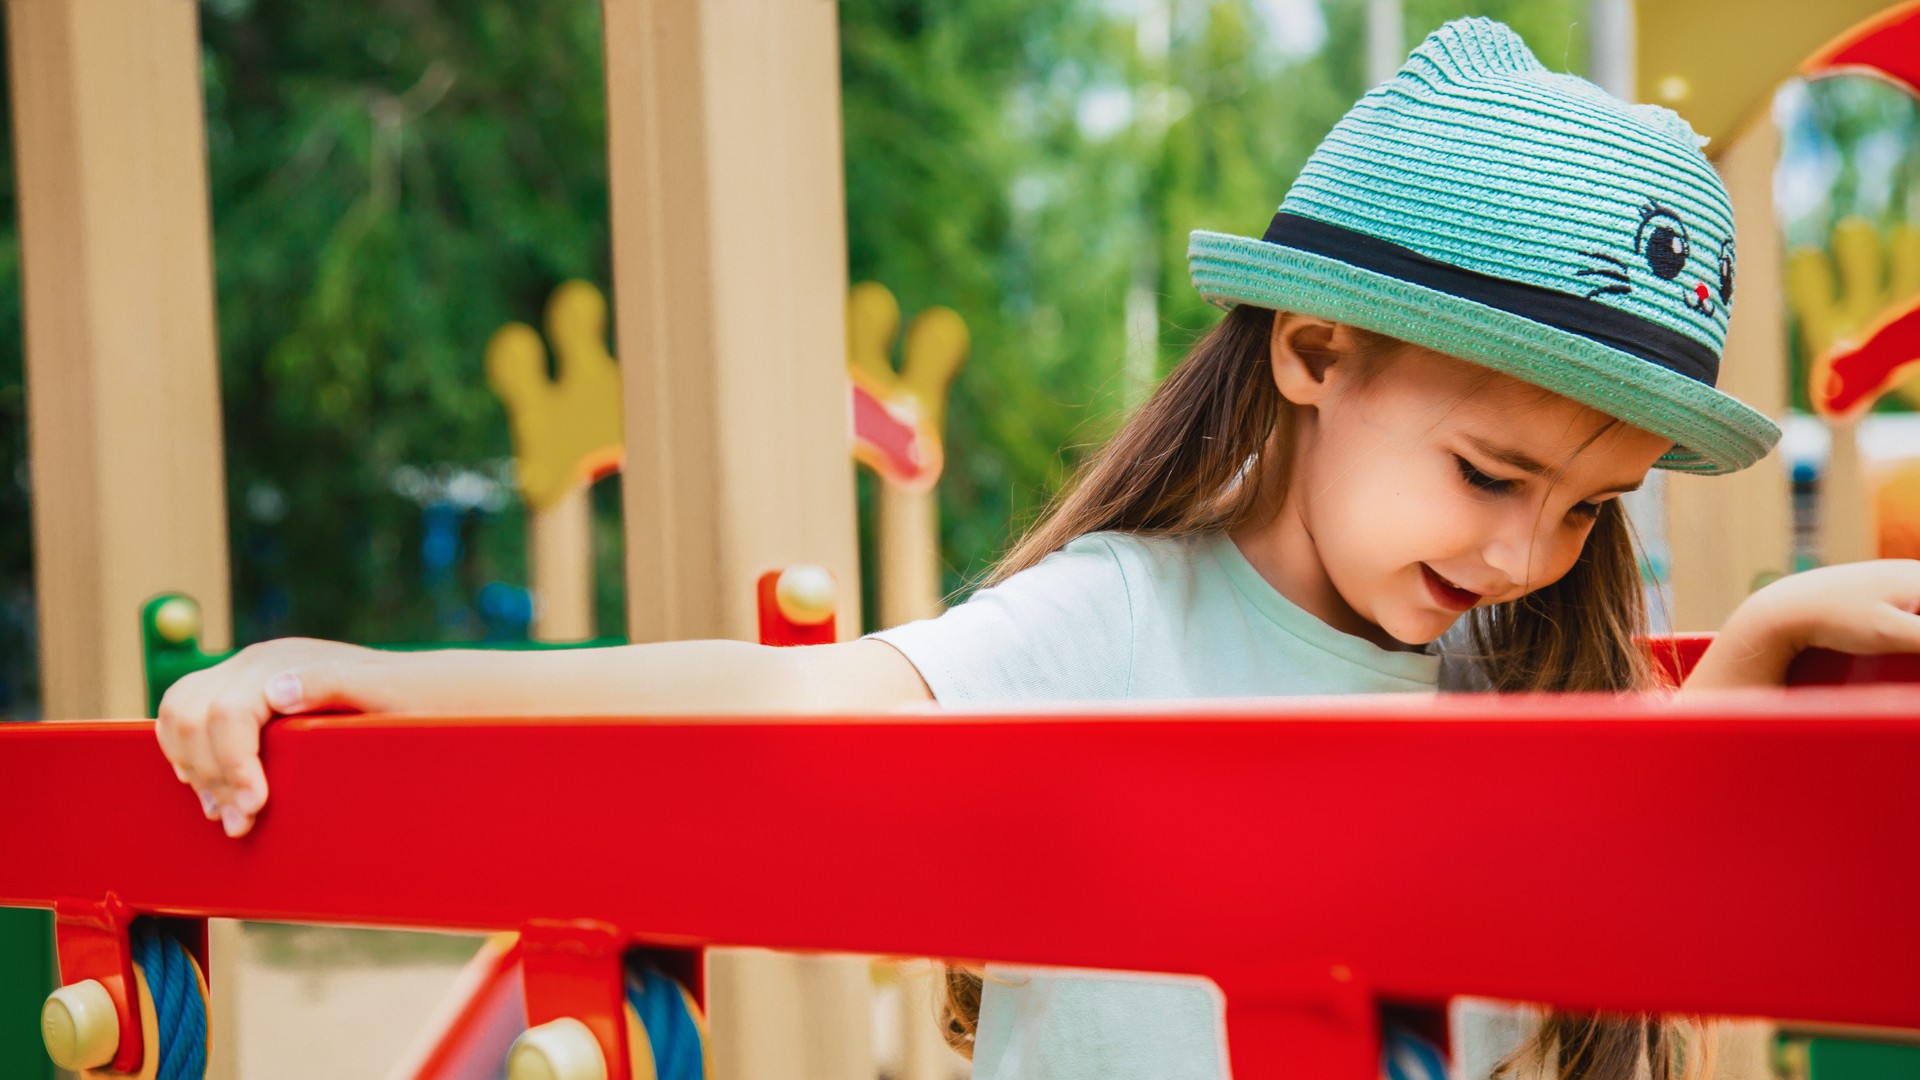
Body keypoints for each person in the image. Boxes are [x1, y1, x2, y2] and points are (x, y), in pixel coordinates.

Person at [158, 17, 1920, 1080]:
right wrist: (373, 679)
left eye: (1590, 506)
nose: (1536, 548)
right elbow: (788, 704)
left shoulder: (1519, 676)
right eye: (1486, 472)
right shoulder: (1117, 622)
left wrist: (1757, 660)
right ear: (1314, 352)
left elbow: (1598, 938)